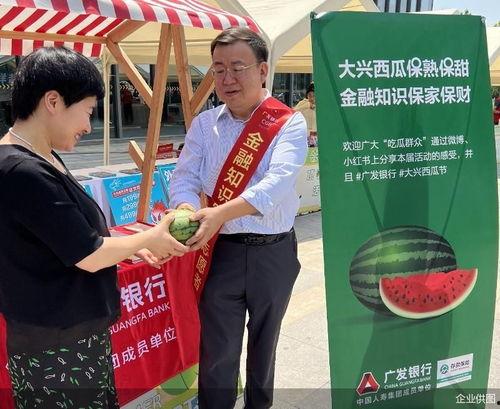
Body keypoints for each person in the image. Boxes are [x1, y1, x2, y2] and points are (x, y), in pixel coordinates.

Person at [0, 47, 188, 409]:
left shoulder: (40, 157)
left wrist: (133, 246)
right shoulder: (21, 171)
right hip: (55, 350)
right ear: (52, 101)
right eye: (87, 111)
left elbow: (67, 236)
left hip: (69, 336)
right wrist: (152, 236)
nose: (88, 126)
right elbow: (87, 253)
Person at [169, 28, 308, 409]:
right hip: (221, 252)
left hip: (274, 253)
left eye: (237, 67)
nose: (227, 78)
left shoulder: (289, 123)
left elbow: (277, 184)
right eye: (218, 69)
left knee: (265, 347)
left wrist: (220, 213)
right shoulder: (204, 125)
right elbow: (184, 177)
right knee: (218, 352)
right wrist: (185, 209)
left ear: (262, 70)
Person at [294, 82, 317, 147]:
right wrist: (307, 105)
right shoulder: (303, 103)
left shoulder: (321, 104)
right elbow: (293, 111)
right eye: (310, 95)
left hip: (317, 136)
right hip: (305, 136)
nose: (312, 98)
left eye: (314, 96)